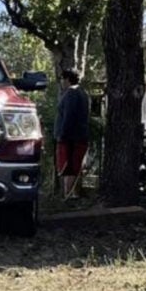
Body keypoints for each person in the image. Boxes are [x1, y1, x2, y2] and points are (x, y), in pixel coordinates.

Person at [54, 69, 89, 198]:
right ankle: (71, 194)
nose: (61, 82)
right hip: (79, 136)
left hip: (70, 138)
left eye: (62, 79)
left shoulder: (71, 93)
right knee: (73, 166)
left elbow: (69, 116)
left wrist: (62, 134)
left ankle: (68, 195)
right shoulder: (82, 93)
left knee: (67, 167)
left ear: (68, 79)